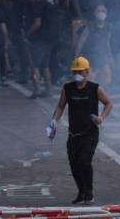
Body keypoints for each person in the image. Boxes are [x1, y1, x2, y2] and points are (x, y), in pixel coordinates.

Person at [48, 56, 112, 204]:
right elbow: (60, 106)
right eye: (75, 71)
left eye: (80, 71)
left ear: (87, 72)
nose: (77, 74)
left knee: (84, 161)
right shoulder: (67, 88)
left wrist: (101, 117)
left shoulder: (95, 88)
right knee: (74, 164)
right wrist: (53, 121)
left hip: (90, 133)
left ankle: (89, 193)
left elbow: (108, 103)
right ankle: (81, 192)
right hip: (73, 134)